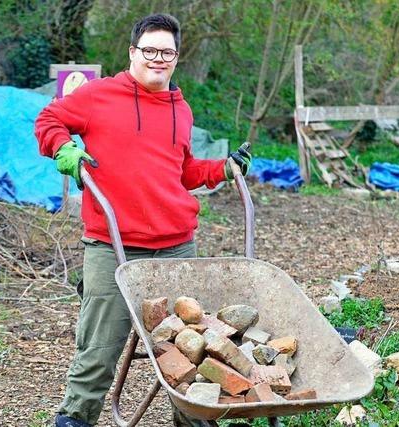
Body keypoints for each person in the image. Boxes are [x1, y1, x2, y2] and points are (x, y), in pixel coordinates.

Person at [34, 13, 252, 427]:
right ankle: (76, 419)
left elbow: (183, 171)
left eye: (166, 52)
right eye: (149, 50)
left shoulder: (181, 109)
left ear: (176, 57)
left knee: (186, 349)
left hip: (176, 245)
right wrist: (64, 148)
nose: (157, 58)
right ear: (133, 52)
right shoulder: (99, 96)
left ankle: (194, 420)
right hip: (112, 246)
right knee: (99, 347)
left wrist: (222, 169)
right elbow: (49, 119)